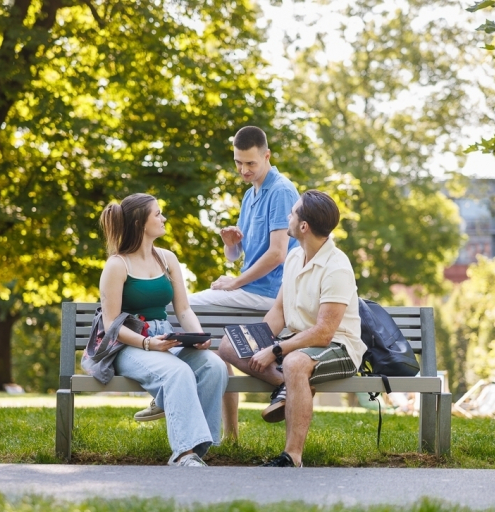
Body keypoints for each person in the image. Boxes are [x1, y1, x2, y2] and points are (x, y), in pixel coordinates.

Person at [135, 126, 300, 437]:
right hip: (252, 289)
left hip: (269, 295)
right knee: (213, 346)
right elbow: (240, 256)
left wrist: (235, 282)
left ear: (267, 156)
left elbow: (278, 254)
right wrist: (231, 244)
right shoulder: (250, 194)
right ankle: (231, 436)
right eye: (238, 162)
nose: (243, 170)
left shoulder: (280, 190)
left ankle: (163, 390)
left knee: (176, 307)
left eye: (251, 163)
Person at [218, 190, 366, 467]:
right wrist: (257, 342)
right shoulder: (296, 256)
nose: (288, 215)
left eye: (293, 212)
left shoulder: (337, 268)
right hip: (297, 341)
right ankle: (286, 386)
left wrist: (274, 351)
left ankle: (292, 456)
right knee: (228, 344)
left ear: (303, 226)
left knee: (296, 363)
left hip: (339, 347)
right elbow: (278, 311)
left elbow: (324, 333)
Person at [98, 193, 228, 467]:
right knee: (177, 372)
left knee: (213, 366)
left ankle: (197, 451)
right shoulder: (117, 265)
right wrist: (147, 344)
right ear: (139, 222)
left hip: (165, 338)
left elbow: (183, 310)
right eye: (157, 214)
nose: (163, 218)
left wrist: (200, 337)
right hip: (131, 345)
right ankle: (183, 454)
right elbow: (111, 325)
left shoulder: (167, 259)